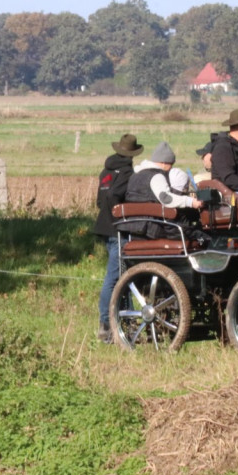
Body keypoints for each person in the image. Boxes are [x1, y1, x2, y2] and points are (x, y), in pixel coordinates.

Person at [92, 133, 142, 344]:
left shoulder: (107, 170)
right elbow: (114, 197)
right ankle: (105, 325)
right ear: (131, 154)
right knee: (114, 279)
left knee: (123, 276)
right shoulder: (127, 172)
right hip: (117, 230)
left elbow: (98, 200)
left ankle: (126, 322)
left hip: (103, 227)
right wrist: (120, 213)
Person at [125, 142, 204, 211]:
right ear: (164, 163)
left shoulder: (135, 174)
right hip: (151, 223)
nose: (171, 168)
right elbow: (166, 199)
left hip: (129, 221)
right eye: (171, 164)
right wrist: (190, 202)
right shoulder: (156, 176)